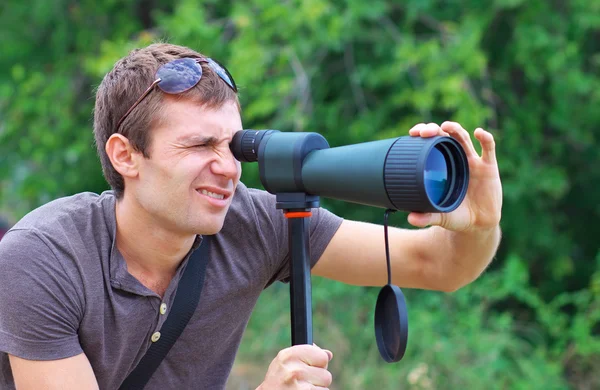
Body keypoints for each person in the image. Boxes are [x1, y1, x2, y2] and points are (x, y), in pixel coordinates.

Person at [0, 43, 502, 390]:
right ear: (126, 156)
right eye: (199, 145)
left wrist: (478, 223)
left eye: (233, 143)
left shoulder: (255, 222)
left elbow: (440, 266)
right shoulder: (43, 260)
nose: (228, 168)